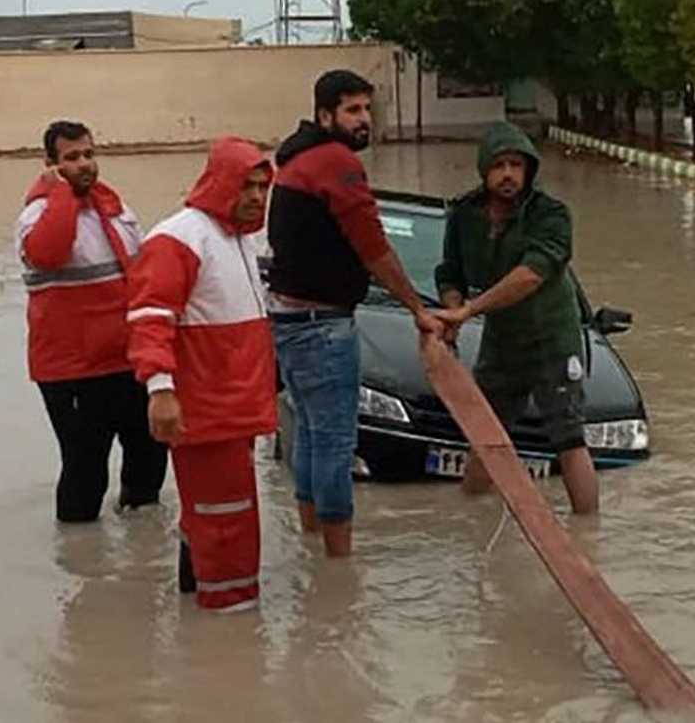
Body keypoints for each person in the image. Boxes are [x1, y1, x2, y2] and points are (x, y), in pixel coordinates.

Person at [267, 69, 442, 558]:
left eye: (368, 109)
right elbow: (374, 248)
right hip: (322, 325)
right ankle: (340, 564)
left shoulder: (295, 158)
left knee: (309, 432)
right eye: (352, 110)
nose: (364, 120)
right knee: (335, 442)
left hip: (288, 319)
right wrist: (417, 309)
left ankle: (310, 542)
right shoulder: (335, 162)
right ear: (326, 115)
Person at [126, 138, 277, 612]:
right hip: (207, 410)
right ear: (220, 182)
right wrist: (161, 390)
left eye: (262, 187)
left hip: (234, 408)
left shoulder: (236, 239)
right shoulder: (179, 239)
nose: (256, 196)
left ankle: (203, 600)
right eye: (247, 185)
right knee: (225, 522)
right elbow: (150, 319)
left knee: (213, 516)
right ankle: (230, 628)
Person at [432, 122, 598, 515]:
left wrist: (469, 310)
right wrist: (452, 308)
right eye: (499, 165)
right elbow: (449, 272)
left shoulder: (551, 215)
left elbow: (530, 275)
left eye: (516, 165)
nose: (508, 174)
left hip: (552, 340)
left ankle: (589, 535)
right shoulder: (464, 214)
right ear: (484, 169)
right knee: (486, 437)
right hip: (501, 341)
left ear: (529, 171)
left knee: (569, 438)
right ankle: (474, 523)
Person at [15, 119, 167, 523]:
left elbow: (144, 274)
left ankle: (143, 552)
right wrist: (61, 191)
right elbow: (47, 252)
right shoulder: (36, 217)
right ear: (50, 164)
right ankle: (80, 560)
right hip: (72, 370)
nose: (84, 164)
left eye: (89, 154)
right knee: (85, 469)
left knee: (150, 455)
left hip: (127, 360)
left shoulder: (115, 209)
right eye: (72, 158)